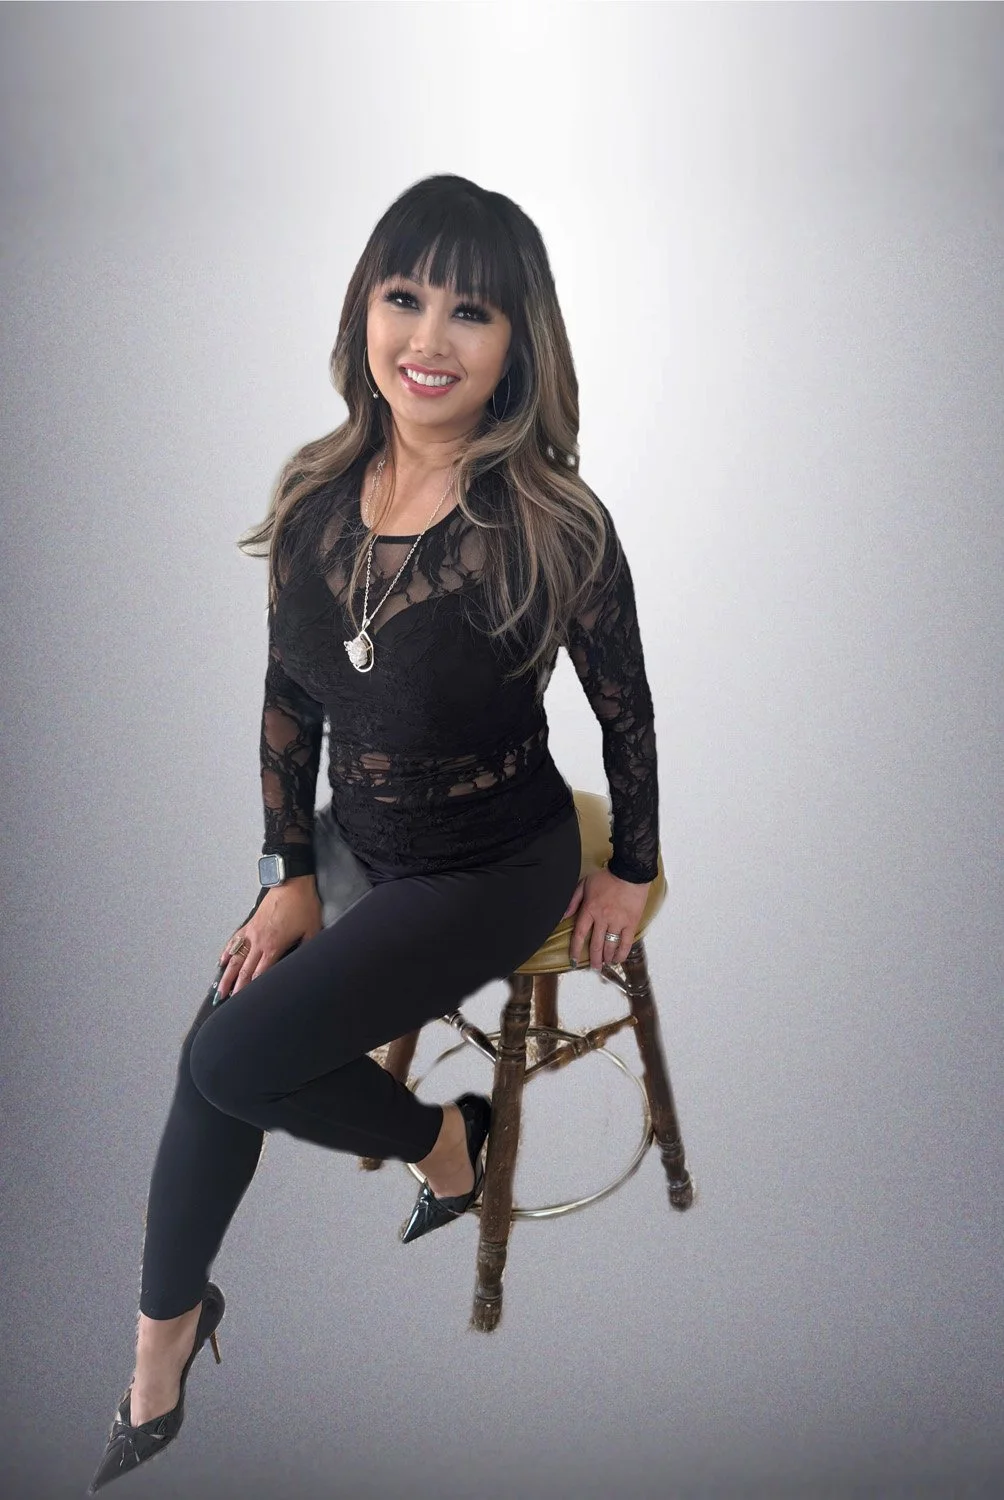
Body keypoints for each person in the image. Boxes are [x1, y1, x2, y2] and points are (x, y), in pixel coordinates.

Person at [87, 172, 660, 1493]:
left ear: (520, 343)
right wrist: (290, 872)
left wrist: (629, 862)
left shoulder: (552, 522)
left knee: (227, 1055)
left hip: (492, 863)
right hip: (359, 841)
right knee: (213, 1051)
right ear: (363, 310)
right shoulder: (315, 494)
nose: (430, 339)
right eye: (405, 297)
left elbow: (627, 707)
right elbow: (292, 698)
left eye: (473, 312)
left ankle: (426, 1161)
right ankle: (172, 1342)